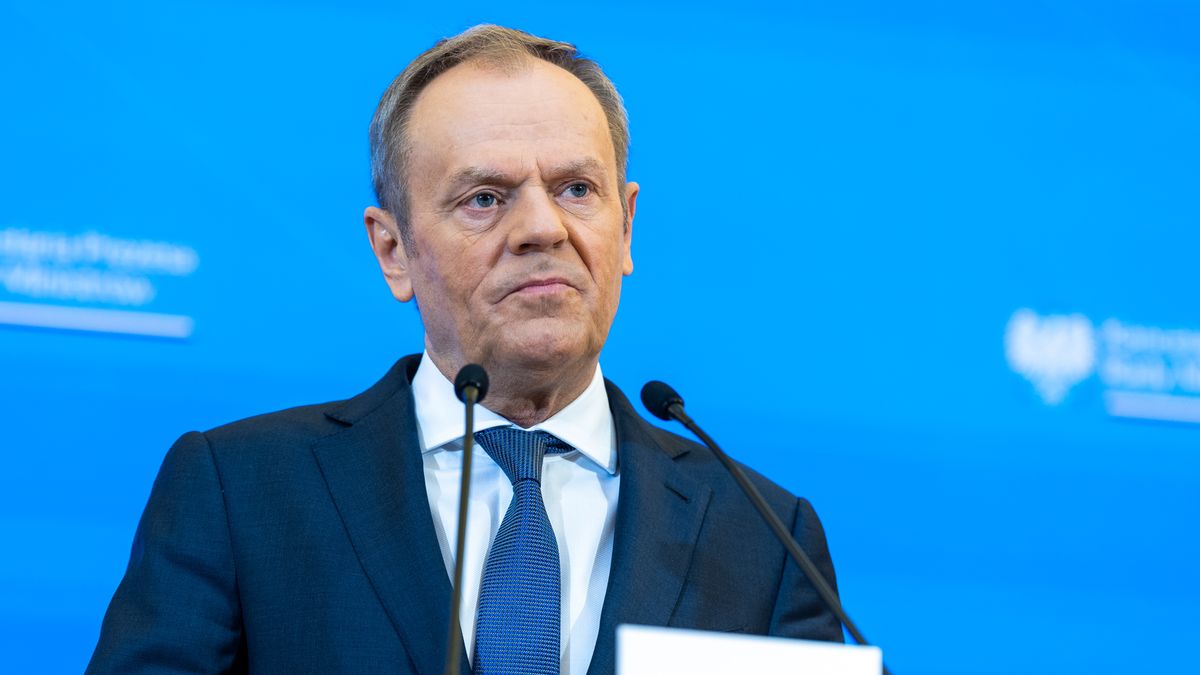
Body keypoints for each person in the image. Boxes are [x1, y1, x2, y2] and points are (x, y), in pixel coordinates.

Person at [87, 24, 843, 675]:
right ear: (393, 251)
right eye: (485, 198)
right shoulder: (242, 492)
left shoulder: (766, 541)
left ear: (626, 227)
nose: (542, 228)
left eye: (577, 190)